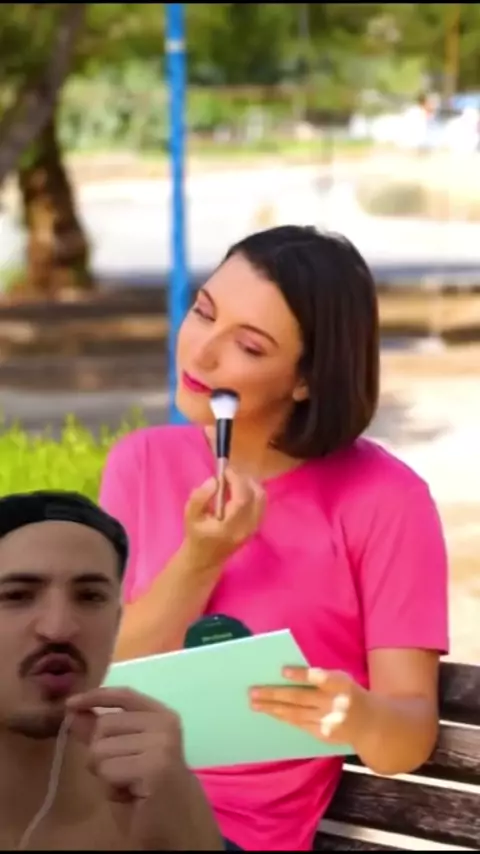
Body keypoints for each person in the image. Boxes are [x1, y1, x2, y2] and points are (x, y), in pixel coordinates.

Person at [99, 225, 449, 852]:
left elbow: (407, 738)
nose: (202, 353)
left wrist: (357, 715)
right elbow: (101, 669)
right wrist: (199, 560)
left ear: (305, 379)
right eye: (203, 311)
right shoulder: (141, 462)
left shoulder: (386, 501)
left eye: (248, 346)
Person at [0, 489, 222, 851]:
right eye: (16, 596)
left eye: (90, 597)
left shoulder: (156, 799)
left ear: (116, 621)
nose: (58, 628)